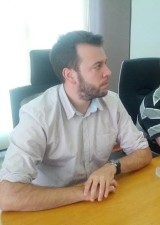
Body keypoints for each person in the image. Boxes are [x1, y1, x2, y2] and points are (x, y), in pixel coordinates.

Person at [0, 31, 152, 211]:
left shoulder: (111, 101)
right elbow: (7, 195)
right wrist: (82, 193)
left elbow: (143, 152)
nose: (108, 72)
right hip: (51, 207)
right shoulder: (36, 115)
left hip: (99, 202)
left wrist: (112, 166)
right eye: (97, 66)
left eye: (105, 63)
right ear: (70, 75)